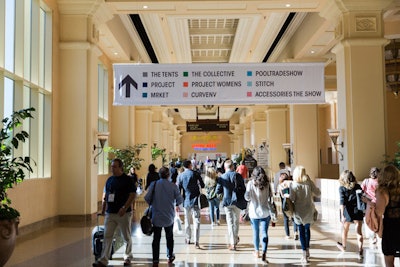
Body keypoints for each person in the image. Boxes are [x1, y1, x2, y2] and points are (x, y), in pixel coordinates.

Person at [93, 159, 136, 267]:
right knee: (107, 236)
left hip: (123, 214)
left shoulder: (127, 180)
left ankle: (127, 257)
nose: (112, 168)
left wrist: (125, 207)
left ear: (121, 167)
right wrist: (103, 210)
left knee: (126, 236)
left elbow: (132, 195)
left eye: (115, 167)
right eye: (112, 166)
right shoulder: (109, 180)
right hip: (110, 213)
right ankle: (103, 260)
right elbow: (106, 196)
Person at [144, 166, 183, 266]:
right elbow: (180, 200)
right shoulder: (173, 186)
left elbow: (147, 198)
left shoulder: (154, 184)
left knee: (156, 238)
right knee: (169, 237)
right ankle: (169, 256)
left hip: (156, 216)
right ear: (168, 175)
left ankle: (155, 259)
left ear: (159, 175)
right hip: (169, 216)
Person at [289, 165, 320, 263]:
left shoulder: (294, 185)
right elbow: (318, 193)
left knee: (301, 232)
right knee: (307, 230)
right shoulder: (309, 183)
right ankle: (307, 250)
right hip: (309, 210)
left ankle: (304, 254)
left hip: (298, 212)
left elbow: (292, 199)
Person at [373, 165, 400, 267]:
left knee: (389, 262)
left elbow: (379, 212)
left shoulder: (382, 192)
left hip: (390, 229)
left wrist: (371, 204)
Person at [244, 166, 272, 263]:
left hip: (254, 212)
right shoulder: (267, 184)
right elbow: (270, 196)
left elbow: (247, 198)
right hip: (265, 211)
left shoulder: (250, 183)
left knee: (255, 232)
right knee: (264, 233)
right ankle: (264, 252)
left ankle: (257, 251)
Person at [216, 159, 245, 251]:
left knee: (230, 222)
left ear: (225, 167)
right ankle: (235, 239)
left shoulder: (222, 177)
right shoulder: (238, 176)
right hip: (237, 201)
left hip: (227, 201)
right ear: (233, 167)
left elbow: (218, 190)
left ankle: (233, 243)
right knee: (236, 221)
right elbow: (243, 188)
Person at [336, 170, 364, 260]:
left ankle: (343, 247)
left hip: (347, 211)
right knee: (359, 232)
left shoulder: (342, 188)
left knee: (345, 230)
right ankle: (360, 250)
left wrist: (342, 215)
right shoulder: (358, 186)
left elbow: (342, 202)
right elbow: (362, 199)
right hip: (358, 210)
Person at [177, 160, 205, 248]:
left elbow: (178, 190)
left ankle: (188, 238)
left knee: (187, 220)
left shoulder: (180, 176)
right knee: (197, 220)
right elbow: (203, 185)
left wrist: (177, 203)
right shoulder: (195, 174)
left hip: (186, 201)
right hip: (196, 200)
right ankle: (197, 241)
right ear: (190, 165)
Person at [361, 167, 380, 245]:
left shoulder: (366, 181)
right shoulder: (379, 182)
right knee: (376, 219)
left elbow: (361, 190)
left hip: (367, 203)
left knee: (369, 219)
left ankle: (372, 236)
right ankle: (377, 235)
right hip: (377, 203)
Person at [278, 171, 298, 240]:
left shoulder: (280, 185)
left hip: (285, 204)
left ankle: (287, 235)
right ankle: (295, 232)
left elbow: (282, 196)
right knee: (294, 218)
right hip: (293, 202)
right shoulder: (291, 183)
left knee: (285, 219)